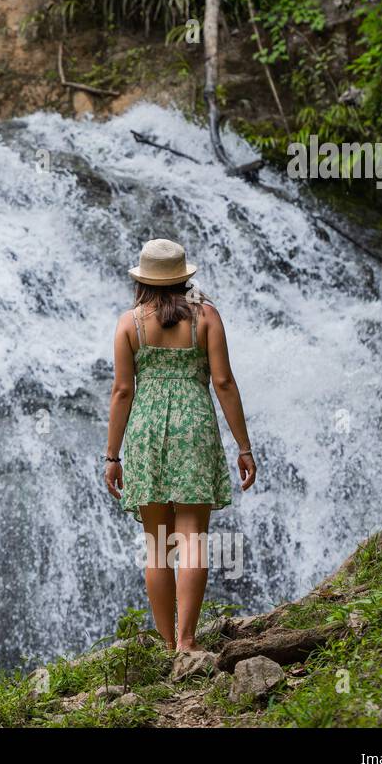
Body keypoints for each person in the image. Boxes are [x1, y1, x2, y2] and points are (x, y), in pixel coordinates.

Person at [103, 238, 256, 652]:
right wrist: (244, 446)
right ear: (184, 277)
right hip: (194, 426)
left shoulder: (129, 323)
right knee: (191, 538)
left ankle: (167, 642)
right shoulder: (206, 316)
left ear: (143, 280)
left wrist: (112, 455)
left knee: (157, 546)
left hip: (147, 430)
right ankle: (187, 642)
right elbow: (223, 382)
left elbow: (122, 391)